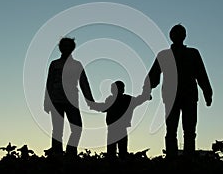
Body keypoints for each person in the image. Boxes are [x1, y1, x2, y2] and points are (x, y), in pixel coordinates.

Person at [143, 24, 213, 159]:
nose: (178, 36)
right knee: (172, 130)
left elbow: (201, 75)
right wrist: (147, 90)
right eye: (176, 33)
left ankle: (188, 159)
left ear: (184, 36)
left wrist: (207, 93)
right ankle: (172, 159)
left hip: (189, 96)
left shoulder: (193, 53)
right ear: (172, 36)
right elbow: (153, 75)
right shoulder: (164, 55)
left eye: (180, 33)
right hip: (172, 97)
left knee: (189, 131)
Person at [44, 37, 95, 157]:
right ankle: (57, 155)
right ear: (60, 48)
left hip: (72, 100)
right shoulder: (54, 64)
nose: (66, 48)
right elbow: (49, 83)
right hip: (56, 100)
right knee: (57, 130)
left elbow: (84, 83)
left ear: (72, 48)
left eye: (68, 46)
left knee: (77, 128)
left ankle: (70, 153)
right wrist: (46, 101)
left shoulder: (77, 65)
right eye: (64, 46)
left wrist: (90, 101)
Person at [89, 80, 150, 159]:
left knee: (114, 152)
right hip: (119, 128)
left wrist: (93, 106)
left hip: (114, 128)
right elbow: (139, 100)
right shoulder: (126, 99)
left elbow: (103, 107)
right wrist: (145, 96)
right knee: (120, 151)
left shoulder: (117, 99)